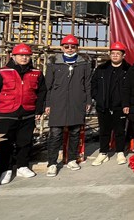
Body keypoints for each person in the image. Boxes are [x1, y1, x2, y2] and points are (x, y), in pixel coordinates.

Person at [0, 43, 46, 184]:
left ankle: (22, 166)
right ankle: (5, 169)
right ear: (13, 56)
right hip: (7, 113)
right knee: (5, 143)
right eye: (21, 55)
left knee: (25, 142)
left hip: (28, 113)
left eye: (27, 55)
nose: (24, 58)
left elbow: (42, 92)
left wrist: (39, 110)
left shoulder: (36, 73)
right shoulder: (3, 72)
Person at [45, 34, 92, 177]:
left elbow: (87, 84)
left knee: (75, 132)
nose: (70, 49)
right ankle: (52, 163)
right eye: (67, 46)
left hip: (76, 101)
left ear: (77, 48)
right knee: (55, 134)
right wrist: (47, 104)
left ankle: (72, 159)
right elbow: (48, 85)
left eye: (73, 46)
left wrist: (88, 101)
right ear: (62, 48)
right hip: (57, 102)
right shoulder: (54, 63)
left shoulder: (84, 63)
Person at [91, 41, 131, 166]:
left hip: (120, 106)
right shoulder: (101, 69)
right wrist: (97, 98)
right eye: (113, 53)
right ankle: (103, 152)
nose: (115, 56)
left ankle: (120, 152)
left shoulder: (128, 70)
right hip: (104, 105)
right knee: (104, 130)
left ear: (123, 55)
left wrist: (126, 104)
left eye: (118, 54)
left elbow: (132, 89)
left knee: (120, 131)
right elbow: (93, 85)